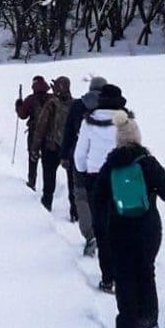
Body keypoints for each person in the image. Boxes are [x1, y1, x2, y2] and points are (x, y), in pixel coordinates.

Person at [94, 111, 165, 328]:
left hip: (119, 230)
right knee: (146, 271)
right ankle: (148, 320)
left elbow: (97, 199)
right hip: (148, 228)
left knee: (125, 277)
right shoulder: (148, 162)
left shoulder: (110, 166)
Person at [74, 83, 129, 293]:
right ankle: (123, 272)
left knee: (102, 226)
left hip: (96, 177)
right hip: (121, 175)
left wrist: (83, 171)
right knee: (122, 225)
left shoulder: (89, 121)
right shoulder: (125, 120)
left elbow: (80, 154)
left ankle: (108, 278)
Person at [61, 75, 107, 254]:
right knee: (103, 198)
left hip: (79, 159)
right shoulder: (110, 106)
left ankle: (90, 234)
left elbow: (68, 131)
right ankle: (105, 232)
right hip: (104, 162)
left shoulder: (78, 105)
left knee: (81, 197)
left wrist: (65, 154)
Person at [30, 76, 73, 211]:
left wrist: (35, 148)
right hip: (70, 148)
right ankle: (75, 212)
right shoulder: (75, 104)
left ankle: (46, 206)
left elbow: (41, 126)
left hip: (50, 147)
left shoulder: (51, 103)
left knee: (49, 180)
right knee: (73, 182)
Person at [14, 75, 51, 191]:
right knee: (48, 159)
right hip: (49, 132)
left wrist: (18, 105)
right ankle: (48, 186)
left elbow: (23, 115)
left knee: (33, 155)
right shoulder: (52, 98)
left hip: (34, 131)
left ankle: (32, 181)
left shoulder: (30, 99)